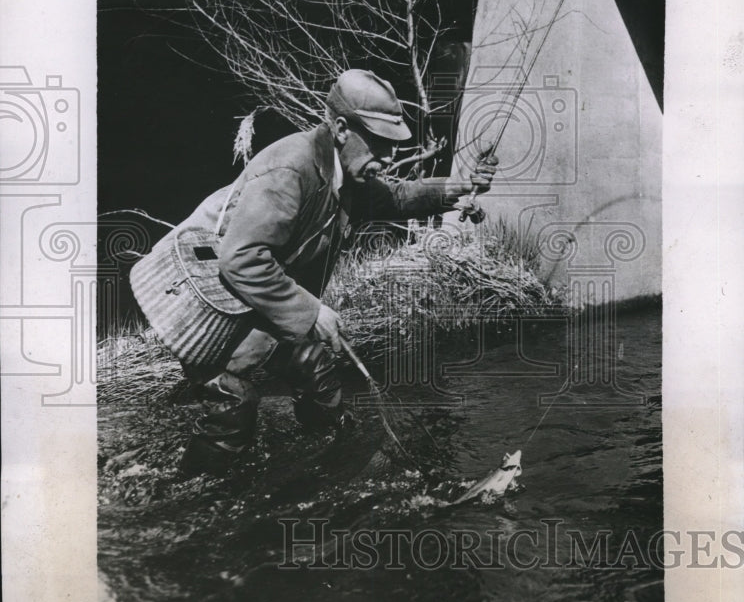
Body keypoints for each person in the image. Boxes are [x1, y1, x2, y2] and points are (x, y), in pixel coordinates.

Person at [158, 68, 497, 477]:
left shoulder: (344, 172)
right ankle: (190, 501)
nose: (389, 157)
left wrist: (460, 187)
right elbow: (242, 257)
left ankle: (326, 465)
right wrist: (312, 311)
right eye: (379, 144)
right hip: (210, 298)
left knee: (315, 368)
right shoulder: (290, 171)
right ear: (340, 128)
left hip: (259, 294)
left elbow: (399, 197)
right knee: (232, 407)